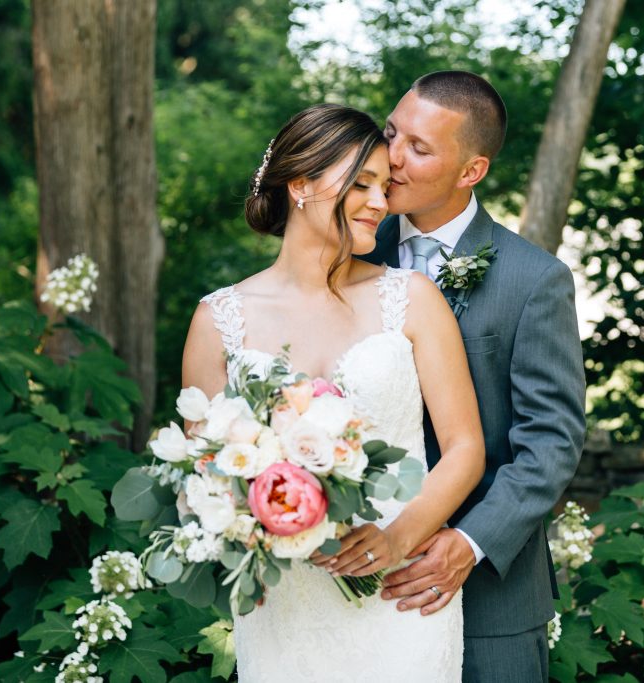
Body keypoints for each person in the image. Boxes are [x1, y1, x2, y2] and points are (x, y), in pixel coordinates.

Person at [181, 103, 485, 681]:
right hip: (285, 603)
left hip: (401, 593)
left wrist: (397, 540)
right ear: (300, 184)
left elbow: (465, 447)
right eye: (361, 184)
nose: (381, 202)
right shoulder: (219, 319)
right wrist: (250, 527)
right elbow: (204, 476)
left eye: (385, 185)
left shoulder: (413, 299)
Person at [361, 71, 586, 682]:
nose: (393, 160)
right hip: (357, 583)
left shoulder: (532, 280)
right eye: (390, 134)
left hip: (489, 597)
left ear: (471, 172)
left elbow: (552, 441)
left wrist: (470, 543)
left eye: (421, 148)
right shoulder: (347, 255)